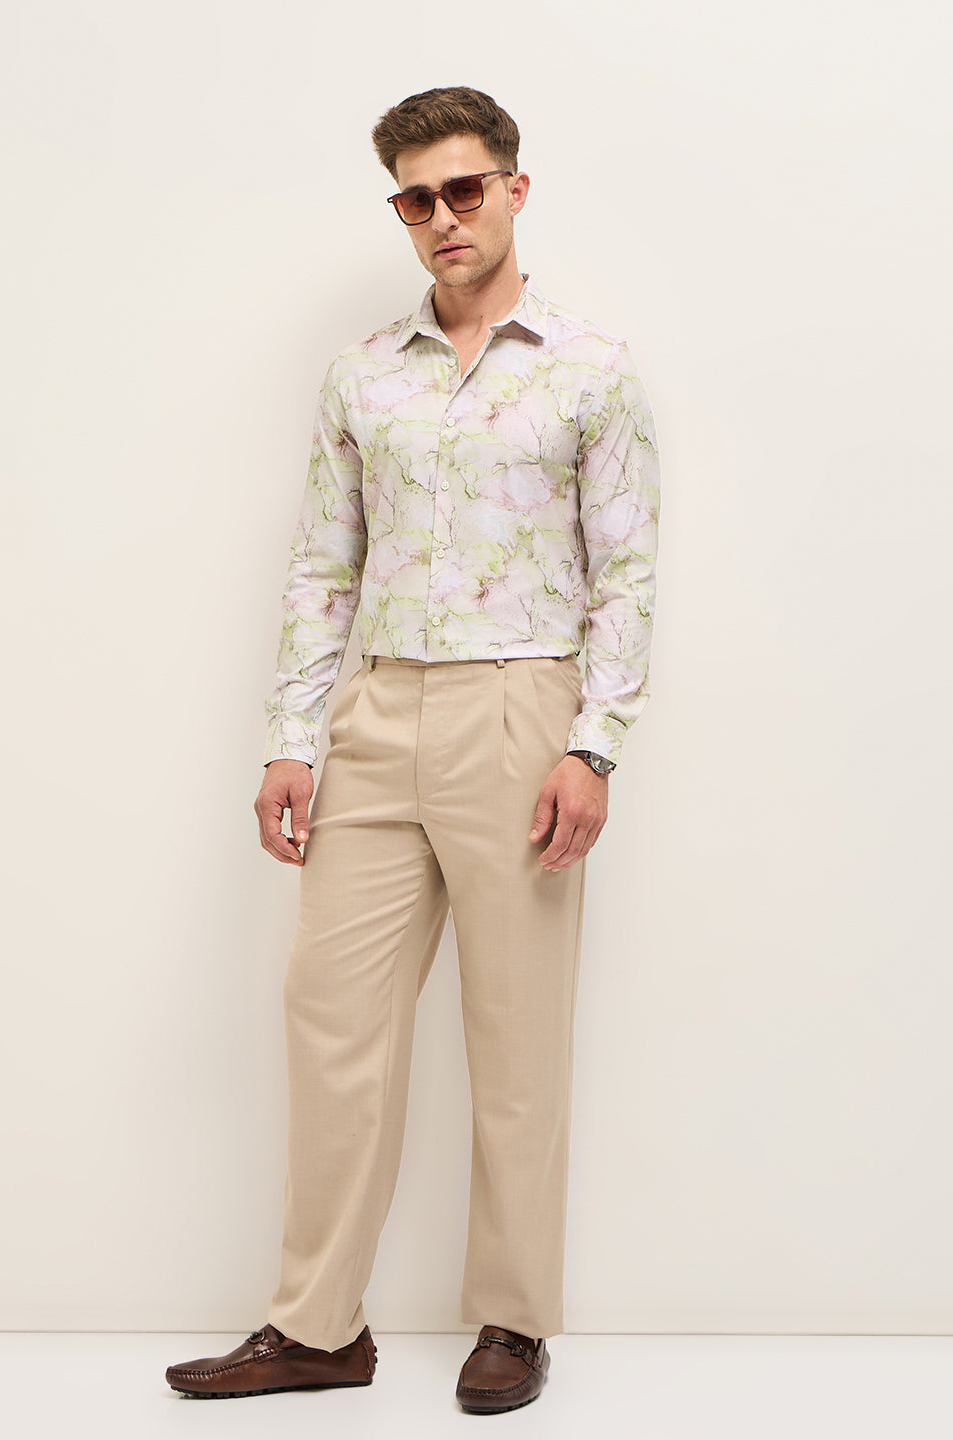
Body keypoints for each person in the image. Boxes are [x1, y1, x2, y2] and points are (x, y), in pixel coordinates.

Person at [166, 84, 660, 1416]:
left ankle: (514, 1319)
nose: (443, 216)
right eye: (416, 198)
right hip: (377, 714)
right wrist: (291, 739)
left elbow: (626, 572)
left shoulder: (592, 368)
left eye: (464, 188)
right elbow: (323, 564)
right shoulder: (362, 375)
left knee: (517, 1030)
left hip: (520, 709)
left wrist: (594, 745)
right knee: (331, 1017)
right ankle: (316, 1324)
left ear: (513, 190)